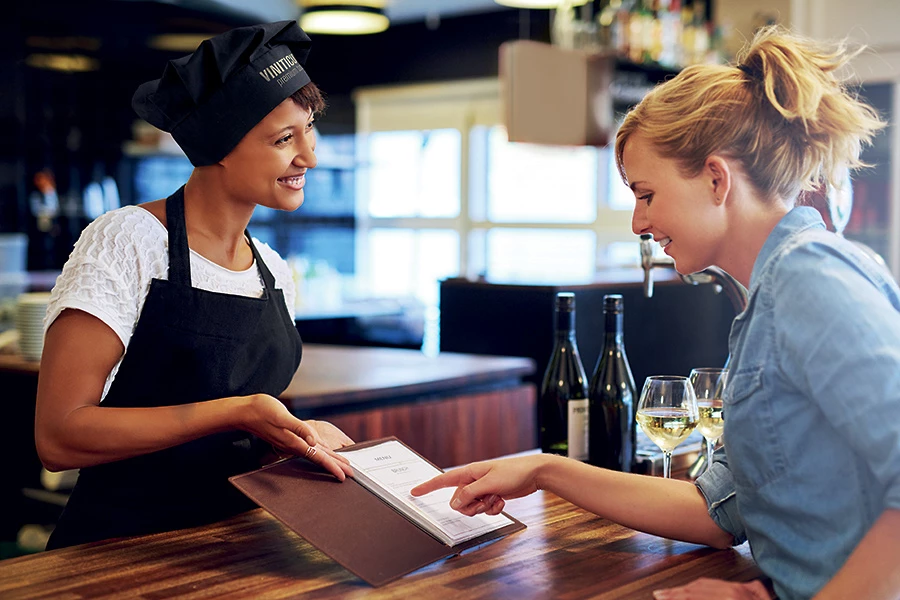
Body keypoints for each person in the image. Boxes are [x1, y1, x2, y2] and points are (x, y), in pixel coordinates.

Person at [412, 25, 900, 600]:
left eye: (646, 194)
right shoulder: (769, 297)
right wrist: (545, 470)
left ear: (716, 179)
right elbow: (716, 512)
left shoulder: (809, 277)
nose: (638, 224)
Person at [35, 21, 354, 550]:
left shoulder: (272, 270)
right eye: (284, 139)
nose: (310, 157)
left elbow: (232, 437)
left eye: (309, 130)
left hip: (235, 547)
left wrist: (289, 441)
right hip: (119, 554)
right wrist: (239, 412)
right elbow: (58, 437)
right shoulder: (130, 240)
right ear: (218, 146)